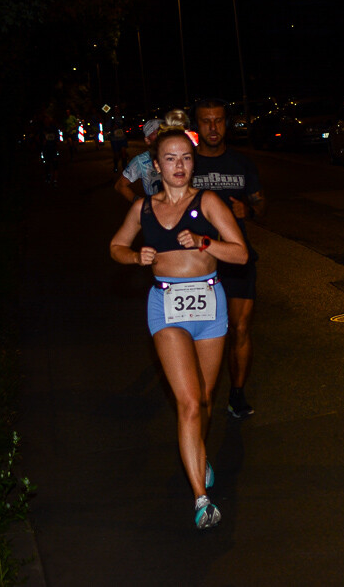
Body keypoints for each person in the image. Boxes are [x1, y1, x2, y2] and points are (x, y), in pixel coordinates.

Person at [109, 125, 248, 530]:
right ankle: (201, 498)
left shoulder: (207, 203)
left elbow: (240, 254)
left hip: (210, 304)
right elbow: (115, 247)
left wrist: (204, 244)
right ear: (156, 165)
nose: (179, 166)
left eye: (186, 158)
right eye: (170, 158)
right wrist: (136, 258)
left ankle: (198, 456)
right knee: (188, 403)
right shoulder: (143, 210)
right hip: (166, 307)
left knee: (204, 400)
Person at [191, 99, 266, 419]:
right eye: (206, 121)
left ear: (227, 124)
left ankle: (236, 394)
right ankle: (197, 395)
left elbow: (261, 206)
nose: (212, 127)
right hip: (196, 261)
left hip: (236, 258)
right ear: (197, 125)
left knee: (240, 328)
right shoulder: (187, 164)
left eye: (218, 121)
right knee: (199, 332)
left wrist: (247, 210)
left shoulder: (242, 164)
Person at [116, 117, 164, 202]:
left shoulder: (179, 154)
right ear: (147, 140)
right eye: (155, 133)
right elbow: (120, 185)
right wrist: (142, 204)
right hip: (158, 212)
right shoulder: (141, 161)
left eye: (163, 131)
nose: (160, 135)